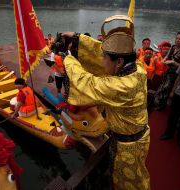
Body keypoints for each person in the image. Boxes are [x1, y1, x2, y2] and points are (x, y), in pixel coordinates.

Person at [62, 15, 150, 190]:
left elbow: (85, 83)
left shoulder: (120, 86)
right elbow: (99, 51)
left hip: (127, 147)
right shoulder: (137, 67)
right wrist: (77, 37)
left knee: (130, 183)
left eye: (105, 58)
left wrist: (68, 57)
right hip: (138, 136)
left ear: (118, 62)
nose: (101, 61)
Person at [160, 45, 180, 149]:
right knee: (173, 115)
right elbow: (179, 77)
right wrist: (173, 91)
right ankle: (169, 133)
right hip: (179, 92)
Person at [153, 31, 180, 110]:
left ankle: (161, 106)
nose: (177, 40)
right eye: (177, 38)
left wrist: (173, 62)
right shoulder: (173, 47)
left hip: (175, 74)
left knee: (167, 89)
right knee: (162, 86)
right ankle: (159, 103)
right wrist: (163, 61)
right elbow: (167, 56)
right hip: (167, 71)